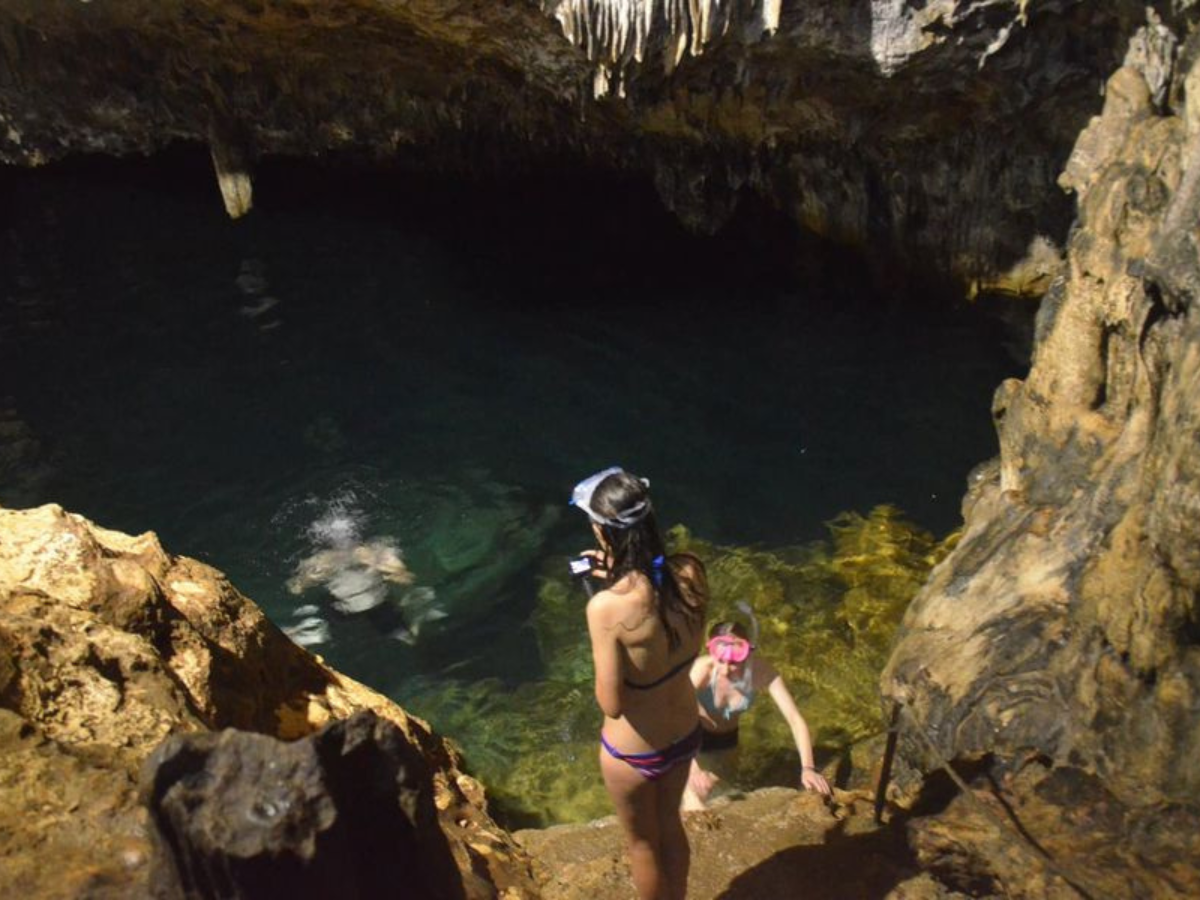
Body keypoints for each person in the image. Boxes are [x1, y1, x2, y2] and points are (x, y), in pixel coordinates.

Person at [571, 466, 709, 900]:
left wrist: (603, 594)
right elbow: (660, 604)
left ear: (601, 531)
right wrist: (620, 573)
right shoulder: (690, 571)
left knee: (643, 844)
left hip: (635, 749)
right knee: (671, 827)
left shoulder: (607, 609)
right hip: (685, 729)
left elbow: (610, 702)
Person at [683, 613, 832, 810]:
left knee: (728, 788)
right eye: (720, 660)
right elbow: (672, 720)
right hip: (691, 737)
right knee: (696, 798)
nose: (726, 669)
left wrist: (808, 768)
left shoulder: (762, 673)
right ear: (711, 651)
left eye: (735, 662)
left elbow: (795, 719)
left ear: (748, 653)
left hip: (728, 740)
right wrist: (692, 769)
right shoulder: (701, 671)